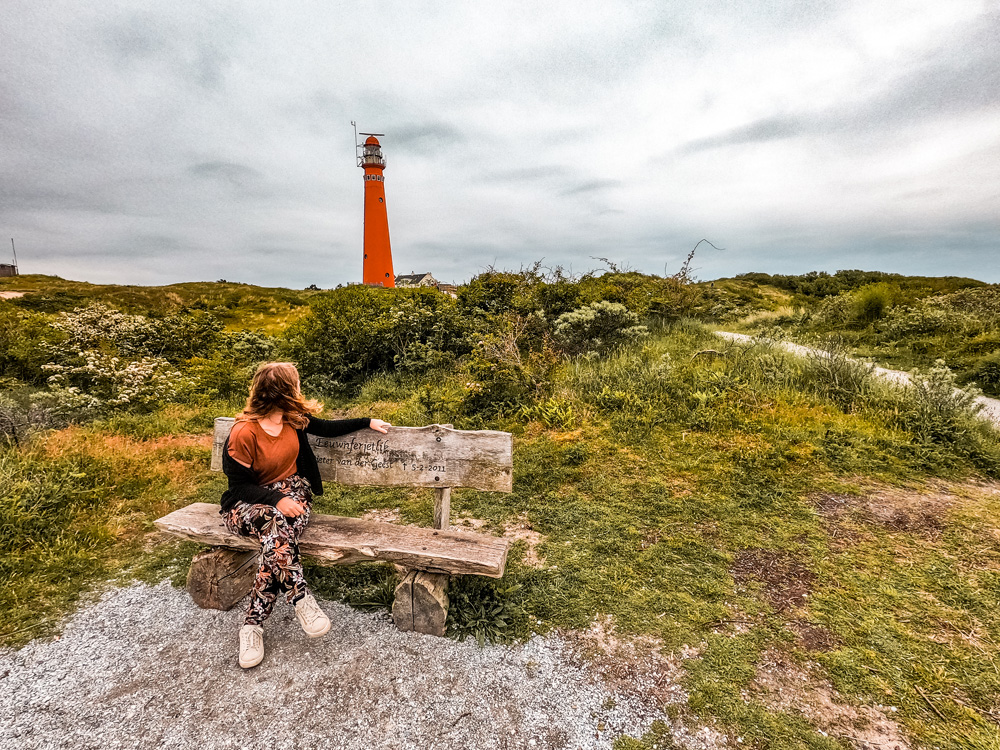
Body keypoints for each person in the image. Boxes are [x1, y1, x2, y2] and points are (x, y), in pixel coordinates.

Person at [220, 361, 391, 669]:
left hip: (293, 493)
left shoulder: (294, 420)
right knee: (276, 528)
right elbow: (238, 486)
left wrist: (367, 421)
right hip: (245, 505)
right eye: (296, 384)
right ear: (285, 391)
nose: (300, 389)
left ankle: (252, 628)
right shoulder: (243, 433)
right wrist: (275, 499)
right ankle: (301, 599)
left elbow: (325, 427)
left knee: (275, 542)